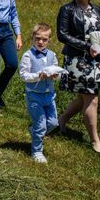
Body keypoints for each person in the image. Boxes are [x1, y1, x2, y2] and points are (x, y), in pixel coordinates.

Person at [57, 0, 100, 153]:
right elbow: (62, 35)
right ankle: (95, 140)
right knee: (91, 98)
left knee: (83, 98)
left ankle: (62, 119)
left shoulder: (97, 10)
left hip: (96, 59)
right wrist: (88, 47)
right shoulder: (67, 10)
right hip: (77, 59)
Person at [19, 23, 60, 163]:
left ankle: (34, 130)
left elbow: (57, 71)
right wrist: (38, 75)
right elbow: (24, 75)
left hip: (49, 94)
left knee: (53, 123)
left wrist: (56, 75)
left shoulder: (52, 55)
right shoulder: (27, 55)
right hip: (34, 95)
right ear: (32, 38)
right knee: (41, 125)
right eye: (37, 39)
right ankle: (36, 151)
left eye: (44, 39)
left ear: (49, 40)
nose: (40, 42)